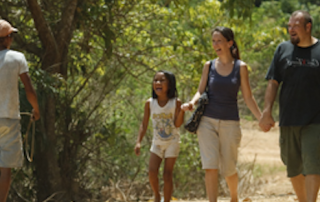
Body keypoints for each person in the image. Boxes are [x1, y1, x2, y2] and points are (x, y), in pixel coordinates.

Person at [181, 26, 261, 202]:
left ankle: (234, 198)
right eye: (213, 41)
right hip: (207, 122)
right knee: (210, 166)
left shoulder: (241, 67)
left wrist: (261, 118)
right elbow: (200, 90)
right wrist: (192, 103)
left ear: (229, 43)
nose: (215, 44)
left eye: (219, 41)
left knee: (229, 168)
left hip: (230, 122)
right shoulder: (208, 66)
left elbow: (248, 97)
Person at [259, 10, 320, 202]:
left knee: (313, 165)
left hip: (315, 120)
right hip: (288, 118)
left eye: (295, 26)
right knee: (292, 167)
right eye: (289, 26)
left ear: (308, 27)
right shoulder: (282, 49)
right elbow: (273, 82)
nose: (290, 30)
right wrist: (267, 111)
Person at [0, 19, 40, 202]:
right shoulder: (17, 58)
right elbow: (29, 90)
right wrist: (36, 109)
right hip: (9, 118)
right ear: (8, 38)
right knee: (5, 168)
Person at [134, 70, 184, 202]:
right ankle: (157, 195)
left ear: (170, 84)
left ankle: (166, 200)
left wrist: (182, 111)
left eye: (162, 80)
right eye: (155, 80)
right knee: (152, 172)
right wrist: (138, 141)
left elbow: (178, 124)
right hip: (157, 142)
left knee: (167, 175)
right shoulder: (149, 103)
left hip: (172, 142)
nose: (158, 83)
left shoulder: (175, 102)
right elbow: (144, 124)